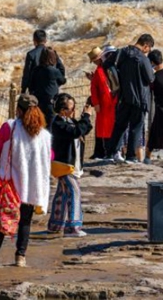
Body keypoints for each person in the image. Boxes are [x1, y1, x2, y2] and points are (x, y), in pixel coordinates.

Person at [0, 93, 51, 268]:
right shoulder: (44, 135)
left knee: (2, 220)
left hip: (9, 183)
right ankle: (20, 257)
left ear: (18, 109)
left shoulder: (9, 127)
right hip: (32, 185)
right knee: (25, 221)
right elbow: (49, 157)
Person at [48, 94, 93, 237]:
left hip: (71, 166)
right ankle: (73, 227)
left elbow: (85, 128)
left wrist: (85, 115)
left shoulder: (69, 120)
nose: (73, 110)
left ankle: (55, 224)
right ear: (62, 110)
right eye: (71, 108)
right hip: (63, 165)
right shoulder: (58, 123)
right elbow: (76, 132)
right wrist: (85, 117)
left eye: (74, 107)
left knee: (61, 194)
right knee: (74, 192)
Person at [107, 34, 155, 164]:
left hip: (124, 96)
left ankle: (112, 153)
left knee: (120, 125)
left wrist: (115, 82)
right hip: (140, 99)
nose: (148, 51)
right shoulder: (142, 59)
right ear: (145, 46)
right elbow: (150, 78)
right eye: (149, 49)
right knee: (136, 127)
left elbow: (107, 64)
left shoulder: (121, 52)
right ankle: (130, 157)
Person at [86, 46, 116, 159]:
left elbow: (96, 88)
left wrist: (96, 103)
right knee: (105, 127)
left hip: (105, 103)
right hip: (108, 102)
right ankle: (104, 152)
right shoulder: (104, 68)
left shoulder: (100, 70)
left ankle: (104, 152)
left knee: (104, 127)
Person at [29, 47, 65, 128]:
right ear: (53, 58)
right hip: (50, 104)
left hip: (37, 102)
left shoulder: (36, 70)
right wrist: (58, 59)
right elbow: (62, 80)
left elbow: (31, 86)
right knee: (50, 128)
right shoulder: (54, 71)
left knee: (39, 126)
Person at [21, 29, 65, 94]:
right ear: (45, 40)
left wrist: (23, 89)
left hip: (36, 90)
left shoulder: (31, 54)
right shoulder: (52, 53)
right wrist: (56, 84)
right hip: (51, 90)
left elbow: (27, 74)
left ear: (34, 40)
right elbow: (61, 69)